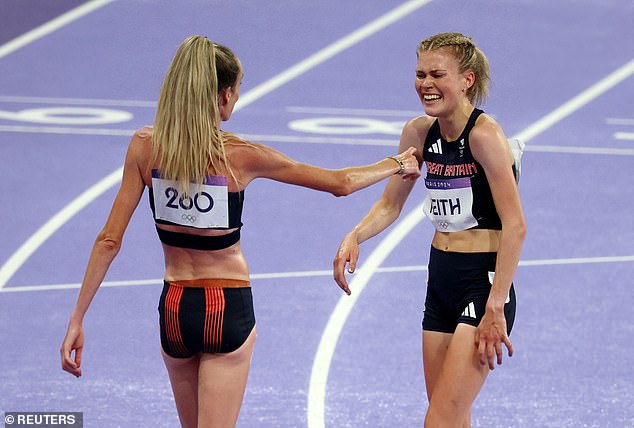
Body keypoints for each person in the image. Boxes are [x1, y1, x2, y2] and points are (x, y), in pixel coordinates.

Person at [59, 35, 420, 428]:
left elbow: (109, 239)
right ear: (224, 95)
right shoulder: (240, 156)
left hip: (175, 309)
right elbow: (341, 182)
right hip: (225, 306)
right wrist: (397, 163)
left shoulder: (144, 149)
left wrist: (77, 319)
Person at [333, 32, 526, 427]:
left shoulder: (484, 135)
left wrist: (496, 304)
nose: (425, 83)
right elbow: (390, 204)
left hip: (481, 284)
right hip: (440, 282)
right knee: (450, 414)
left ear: (467, 79)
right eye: (420, 73)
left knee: (439, 419)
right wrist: (355, 234)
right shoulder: (419, 133)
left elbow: (516, 225)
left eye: (437, 74)